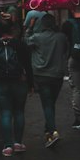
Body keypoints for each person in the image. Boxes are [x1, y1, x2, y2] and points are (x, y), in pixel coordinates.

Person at [24, 10, 69, 147]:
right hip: (57, 74)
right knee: (51, 102)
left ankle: (52, 131)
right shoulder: (61, 37)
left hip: (41, 74)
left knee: (47, 103)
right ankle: (48, 130)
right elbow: (66, 50)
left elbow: (26, 42)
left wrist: (30, 27)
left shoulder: (37, 37)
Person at [0, 15, 28, 156]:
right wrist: (30, 83)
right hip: (19, 81)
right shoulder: (20, 44)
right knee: (19, 112)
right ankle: (18, 143)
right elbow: (27, 65)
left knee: (5, 112)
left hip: (1, 82)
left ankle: (8, 145)